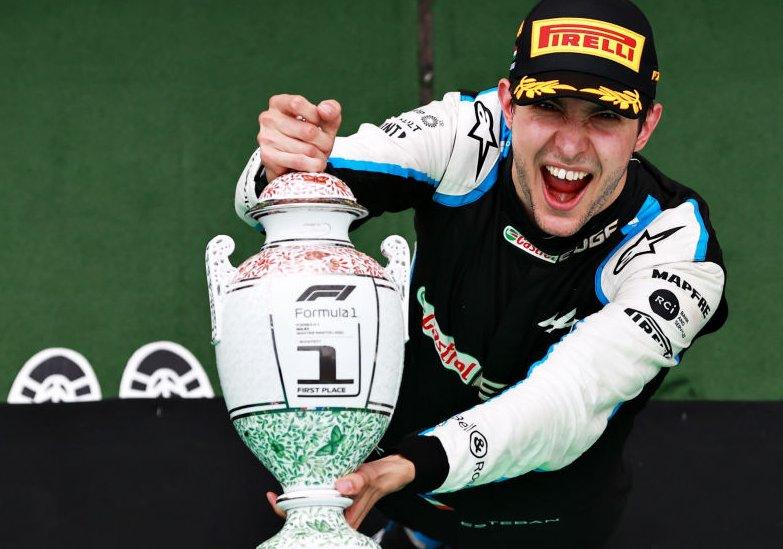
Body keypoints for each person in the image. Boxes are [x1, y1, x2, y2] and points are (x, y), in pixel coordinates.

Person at [235, 0, 728, 546]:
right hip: (402, 493)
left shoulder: (676, 245)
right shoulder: (466, 134)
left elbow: (568, 401)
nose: (570, 145)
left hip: (541, 523)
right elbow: (313, 171)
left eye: (605, 117)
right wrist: (282, 165)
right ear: (509, 104)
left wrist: (409, 464)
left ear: (645, 128)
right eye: (549, 108)